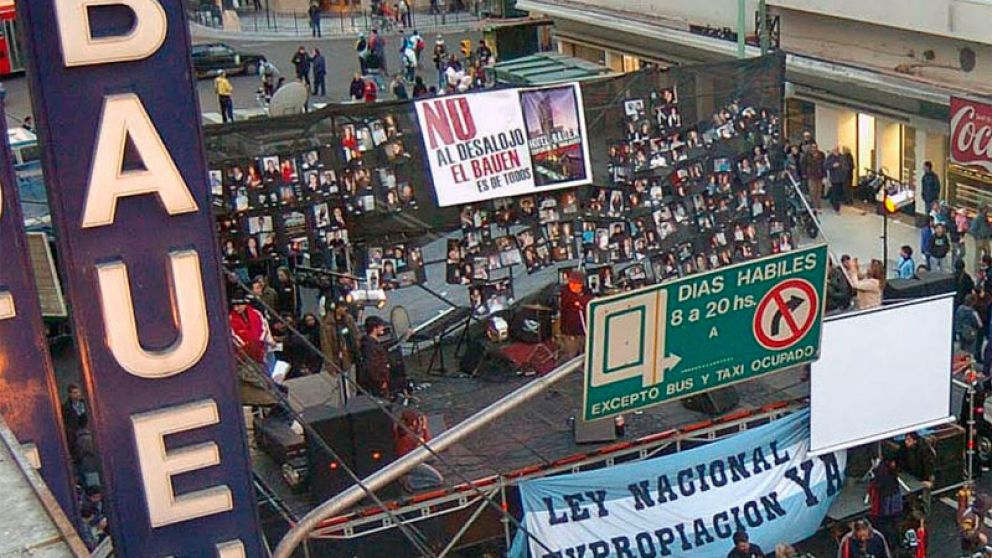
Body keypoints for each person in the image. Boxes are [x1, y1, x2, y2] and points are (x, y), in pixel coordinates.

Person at [229, 296, 277, 407]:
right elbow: (233, 335)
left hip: (260, 350)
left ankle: (271, 394)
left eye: (239, 305)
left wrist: (267, 340)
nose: (236, 308)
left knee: (266, 371)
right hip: (244, 354)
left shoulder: (256, 314)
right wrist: (245, 345)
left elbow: (264, 328)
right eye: (234, 306)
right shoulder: (231, 318)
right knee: (252, 377)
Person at [320, 298, 361, 406]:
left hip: (353, 354)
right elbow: (326, 346)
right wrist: (330, 364)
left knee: (354, 383)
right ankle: (346, 403)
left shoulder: (348, 319)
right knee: (344, 384)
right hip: (340, 358)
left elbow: (356, 333)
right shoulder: (327, 325)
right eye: (342, 307)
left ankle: (355, 401)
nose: (345, 309)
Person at [394, 409, 444, 491]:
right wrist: (422, 430)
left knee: (433, 458)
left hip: (412, 458)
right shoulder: (408, 435)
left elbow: (428, 442)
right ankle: (410, 481)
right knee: (437, 479)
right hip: (408, 461)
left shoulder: (403, 429)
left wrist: (423, 429)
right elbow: (426, 445)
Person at [897, 432, 935, 515]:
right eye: (906, 440)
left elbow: (929, 465)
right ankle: (913, 510)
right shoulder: (903, 448)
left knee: (925, 493)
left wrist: (928, 480)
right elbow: (901, 460)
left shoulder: (923, 450)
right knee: (911, 493)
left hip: (923, 475)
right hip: (911, 474)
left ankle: (925, 512)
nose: (906, 442)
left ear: (915, 441)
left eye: (909, 440)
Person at [559, 270, 592, 359]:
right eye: (571, 283)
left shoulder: (587, 291)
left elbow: (589, 301)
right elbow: (573, 301)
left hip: (583, 329)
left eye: (576, 284)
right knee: (571, 354)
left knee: (585, 352)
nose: (573, 286)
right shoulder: (565, 292)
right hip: (570, 331)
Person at [358, 316, 391, 397]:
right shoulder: (370, 347)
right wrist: (381, 382)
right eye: (381, 326)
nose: (383, 328)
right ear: (375, 328)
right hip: (377, 384)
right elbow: (372, 367)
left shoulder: (371, 344)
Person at [61, 384, 88, 461]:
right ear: (70, 394)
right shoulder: (66, 408)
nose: (78, 395)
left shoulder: (85, 403)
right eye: (75, 393)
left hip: (86, 429)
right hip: (74, 432)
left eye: (78, 392)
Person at [956, 293, 983, 362]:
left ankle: (962, 363)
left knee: (962, 349)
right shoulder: (973, 312)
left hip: (960, 332)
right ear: (973, 302)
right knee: (970, 351)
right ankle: (968, 366)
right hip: (970, 334)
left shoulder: (959, 309)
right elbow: (980, 324)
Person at [800, 142, 826, 210]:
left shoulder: (821, 154)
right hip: (811, 175)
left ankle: (818, 205)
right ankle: (814, 206)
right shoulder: (807, 155)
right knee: (812, 191)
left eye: (815, 147)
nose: (814, 148)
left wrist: (824, 175)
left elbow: (824, 165)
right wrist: (804, 174)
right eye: (813, 147)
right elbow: (803, 165)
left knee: (819, 191)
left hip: (819, 175)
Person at [825, 146, 845, 212]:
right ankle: (836, 207)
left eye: (837, 150)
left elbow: (845, 165)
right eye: (835, 150)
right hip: (834, 178)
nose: (836, 151)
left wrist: (842, 168)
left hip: (841, 178)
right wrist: (832, 166)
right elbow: (825, 166)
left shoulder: (841, 156)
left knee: (839, 192)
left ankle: (835, 203)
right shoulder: (830, 157)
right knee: (835, 192)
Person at [973, 205, 992, 273]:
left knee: (988, 254)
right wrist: (977, 237)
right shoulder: (978, 218)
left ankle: (987, 268)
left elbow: (988, 228)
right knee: (978, 255)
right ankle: (977, 270)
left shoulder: (985, 218)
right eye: (986, 209)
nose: (987, 210)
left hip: (986, 238)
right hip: (980, 238)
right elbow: (973, 230)